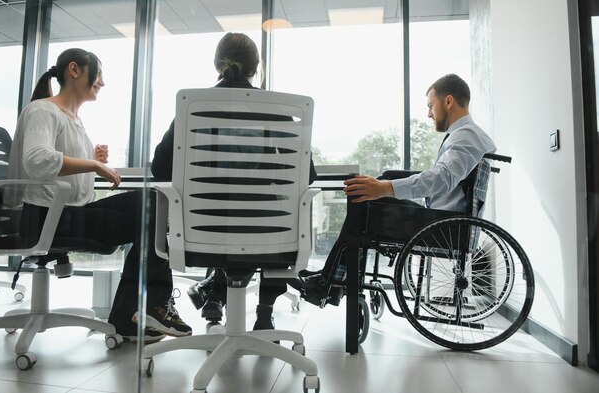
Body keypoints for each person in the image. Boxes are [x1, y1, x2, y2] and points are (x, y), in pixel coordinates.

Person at [8, 48, 192, 344]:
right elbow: (37, 160)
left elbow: (62, 173)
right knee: (149, 207)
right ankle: (145, 310)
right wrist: (92, 163)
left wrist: (89, 158)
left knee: (152, 204)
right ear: (74, 70)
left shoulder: (73, 120)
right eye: (99, 74)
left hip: (64, 214)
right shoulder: (43, 109)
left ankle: (132, 316)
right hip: (44, 219)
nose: (102, 82)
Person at [151, 32, 316, 330]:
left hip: (202, 232)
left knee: (229, 215)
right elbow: (308, 176)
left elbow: (159, 168)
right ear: (256, 68)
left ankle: (215, 295)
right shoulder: (276, 110)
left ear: (217, 64)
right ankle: (264, 313)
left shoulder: (194, 109)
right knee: (269, 214)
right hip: (270, 235)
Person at [296, 73, 497, 303]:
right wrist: (384, 183)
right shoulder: (464, 136)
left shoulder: (466, 136)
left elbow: (442, 178)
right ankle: (333, 280)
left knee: (365, 199)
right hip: (441, 219)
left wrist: (385, 188)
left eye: (431, 106)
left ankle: (329, 282)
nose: (429, 114)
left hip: (442, 225)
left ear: (448, 101)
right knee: (371, 191)